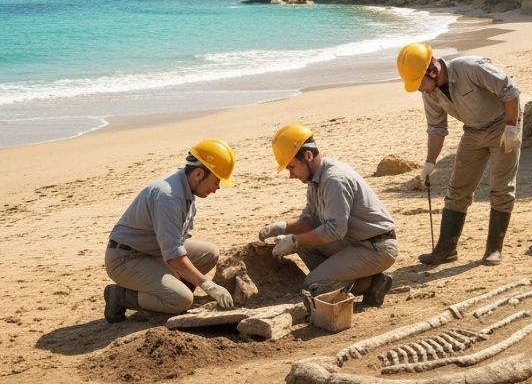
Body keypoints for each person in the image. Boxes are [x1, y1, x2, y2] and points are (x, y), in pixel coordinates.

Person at [396, 41, 521, 267]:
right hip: (473, 132)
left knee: (501, 188)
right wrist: (429, 162)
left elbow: (509, 90)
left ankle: (494, 249)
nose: (419, 89)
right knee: (457, 190)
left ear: (432, 70)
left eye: (420, 83)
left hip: (502, 124)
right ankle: (446, 249)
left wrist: (511, 127)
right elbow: (436, 128)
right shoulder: (430, 93)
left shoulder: (470, 68)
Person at [260, 123, 397, 308]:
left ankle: (367, 283)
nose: (291, 175)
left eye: (291, 167)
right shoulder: (316, 178)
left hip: (376, 247)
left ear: (308, 156)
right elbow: (310, 220)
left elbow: (334, 231)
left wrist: (294, 240)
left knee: (313, 286)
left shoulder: (334, 180)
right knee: (305, 247)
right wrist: (281, 228)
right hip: (357, 242)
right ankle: (372, 282)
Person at [103, 139, 237, 323]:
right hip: (126, 259)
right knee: (181, 300)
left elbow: (178, 243)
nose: (217, 188)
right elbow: (174, 256)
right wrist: (208, 286)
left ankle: (166, 295)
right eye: (216, 181)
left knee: (209, 253)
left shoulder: (186, 190)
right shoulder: (169, 197)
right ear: (199, 173)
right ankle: (120, 295)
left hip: (152, 251)